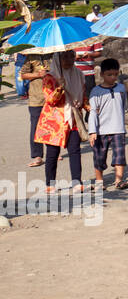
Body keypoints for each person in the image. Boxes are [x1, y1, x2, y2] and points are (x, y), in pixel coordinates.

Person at [34, 50, 88, 194]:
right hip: (54, 122)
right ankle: (50, 184)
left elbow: (83, 97)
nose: (69, 59)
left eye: (72, 56)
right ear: (57, 59)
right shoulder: (49, 78)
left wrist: (90, 108)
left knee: (75, 150)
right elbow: (50, 100)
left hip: (73, 118)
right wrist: (59, 88)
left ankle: (77, 181)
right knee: (52, 153)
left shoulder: (79, 75)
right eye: (65, 57)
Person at [87, 58, 128, 189]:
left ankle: (119, 180)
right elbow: (93, 111)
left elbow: (124, 105)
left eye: (115, 75)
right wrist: (92, 131)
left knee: (120, 155)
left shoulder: (121, 88)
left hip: (118, 128)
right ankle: (99, 181)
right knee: (99, 156)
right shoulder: (96, 91)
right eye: (109, 75)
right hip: (101, 130)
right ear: (102, 74)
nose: (113, 78)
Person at [19, 54, 49, 168]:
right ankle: (37, 155)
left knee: (53, 125)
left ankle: (53, 152)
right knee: (36, 126)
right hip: (36, 97)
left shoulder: (55, 54)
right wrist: (38, 74)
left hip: (53, 96)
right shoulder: (31, 57)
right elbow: (23, 75)